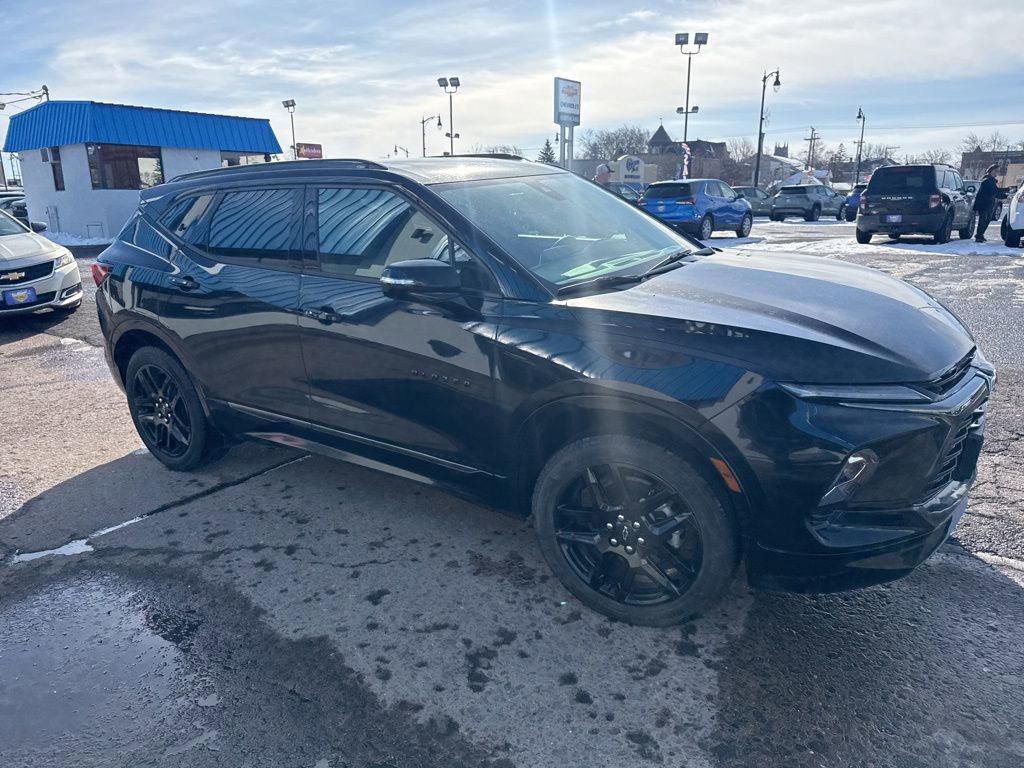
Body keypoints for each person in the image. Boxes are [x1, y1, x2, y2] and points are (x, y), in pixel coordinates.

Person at [974, 163, 1008, 243]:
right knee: (983, 220)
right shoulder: (987, 180)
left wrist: (1005, 195)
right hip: (984, 204)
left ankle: (980, 235)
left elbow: (995, 193)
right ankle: (979, 236)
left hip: (989, 204)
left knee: (987, 220)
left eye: (998, 171)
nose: (997, 173)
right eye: (996, 171)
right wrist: (1007, 190)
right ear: (991, 171)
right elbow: (994, 191)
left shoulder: (991, 181)